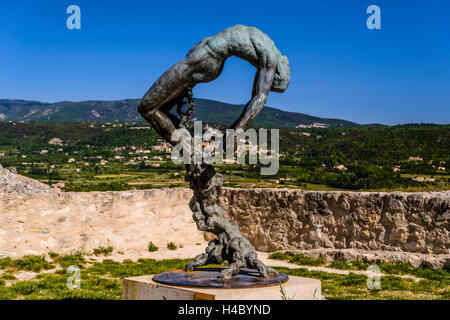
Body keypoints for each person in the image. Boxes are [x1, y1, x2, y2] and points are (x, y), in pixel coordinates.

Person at [137, 24, 290, 145]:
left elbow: (260, 97)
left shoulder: (270, 57)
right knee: (160, 110)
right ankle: (190, 149)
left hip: (205, 59)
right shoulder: (268, 47)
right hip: (205, 58)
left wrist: (235, 134)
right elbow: (258, 93)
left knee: (147, 107)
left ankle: (191, 155)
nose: (289, 67)